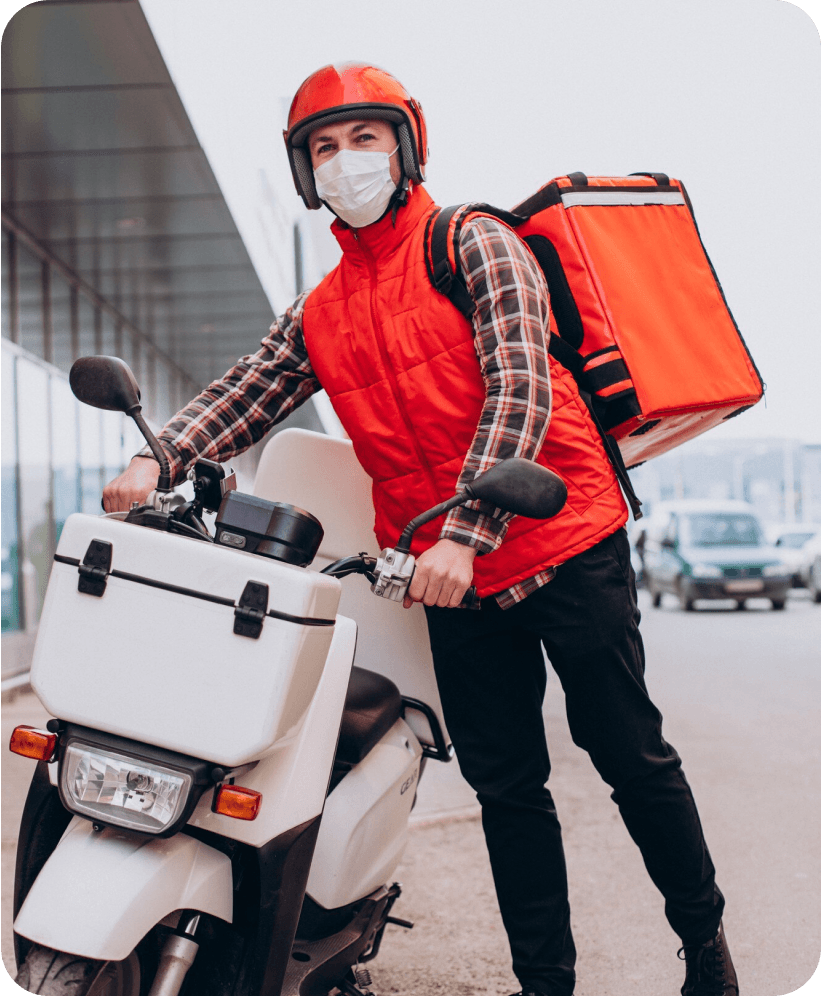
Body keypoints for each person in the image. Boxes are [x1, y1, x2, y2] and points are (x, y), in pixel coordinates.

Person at [103, 63, 738, 996]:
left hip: (561, 540)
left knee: (627, 752)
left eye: (363, 139)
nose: (345, 162)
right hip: (448, 573)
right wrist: (158, 456)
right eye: (323, 148)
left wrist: (465, 531)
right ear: (304, 171)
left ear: (404, 148)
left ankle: (704, 943)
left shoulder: (472, 240)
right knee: (508, 789)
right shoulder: (324, 308)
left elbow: (519, 383)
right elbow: (253, 387)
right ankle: (545, 984)